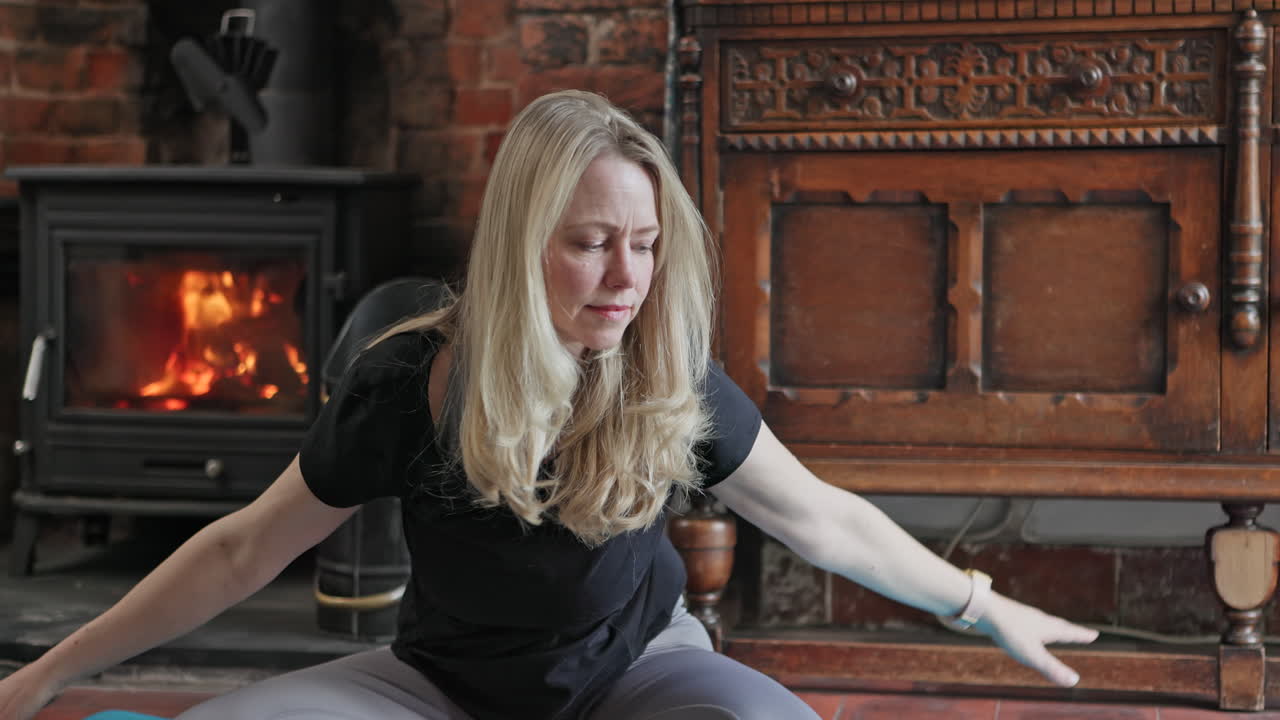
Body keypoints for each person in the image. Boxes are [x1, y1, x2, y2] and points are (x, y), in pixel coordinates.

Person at [0, 90, 1097, 720]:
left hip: (640, 675)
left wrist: (975, 604)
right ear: (525, 245)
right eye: (588, 243)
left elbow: (820, 517)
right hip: (438, 686)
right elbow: (241, 554)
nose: (627, 277)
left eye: (645, 243)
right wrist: (48, 673)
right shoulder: (411, 382)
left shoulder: (665, 378)